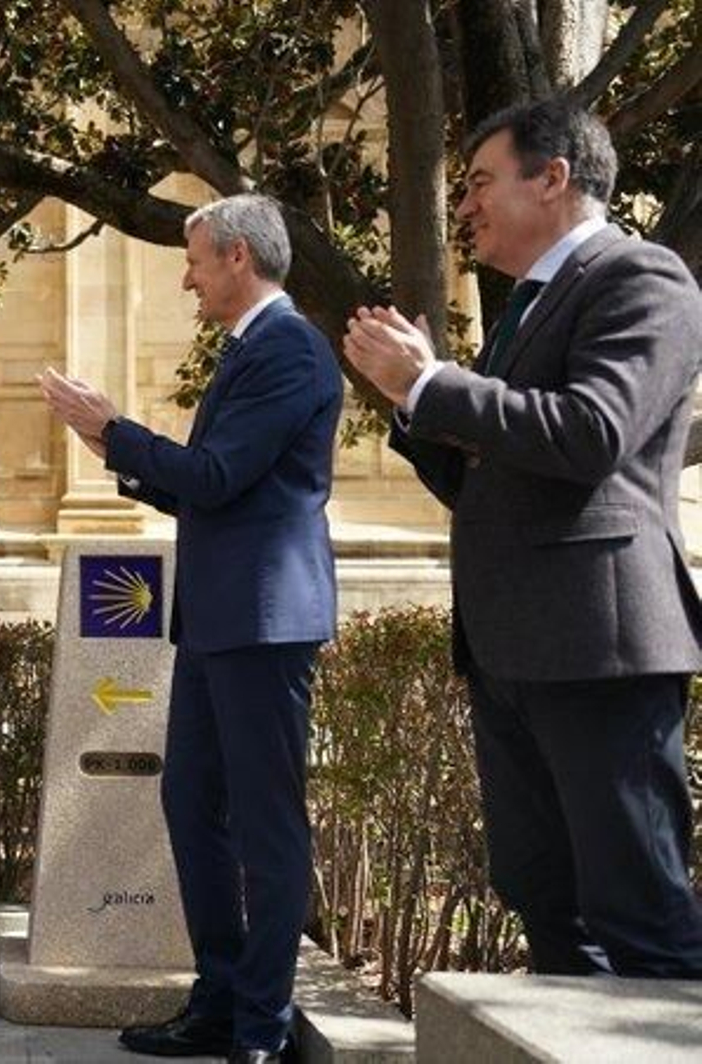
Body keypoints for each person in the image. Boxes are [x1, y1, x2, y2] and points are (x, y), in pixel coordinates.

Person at [344, 98, 702, 978]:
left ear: (554, 178)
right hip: (512, 648)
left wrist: (435, 383)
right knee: (543, 893)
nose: (463, 207)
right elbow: (491, 482)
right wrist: (414, 408)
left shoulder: (640, 277)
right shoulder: (526, 309)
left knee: (637, 906)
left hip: (597, 645)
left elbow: (591, 432)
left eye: (477, 183)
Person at [42, 193, 342, 1061]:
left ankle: (262, 1025)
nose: (186, 278)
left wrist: (116, 429)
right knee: (189, 804)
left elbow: (214, 478)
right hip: (217, 618)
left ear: (239, 259)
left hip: (264, 620)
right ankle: (218, 998)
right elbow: (206, 487)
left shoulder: (287, 348)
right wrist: (114, 451)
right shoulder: (251, 348)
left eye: (197, 261)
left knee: (265, 827)